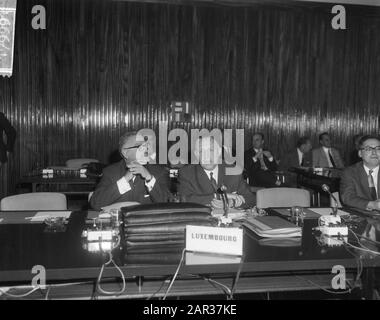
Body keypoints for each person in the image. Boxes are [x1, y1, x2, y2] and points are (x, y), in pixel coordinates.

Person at [90, 131, 170, 210]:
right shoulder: (110, 172)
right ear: (125, 153)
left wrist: (149, 179)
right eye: (140, 147)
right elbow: (96, 204)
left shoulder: (159, 172)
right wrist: (125, 180)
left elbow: (168, 204)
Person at [178, 136, 255, 209]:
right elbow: (185, 199)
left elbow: (251, 199)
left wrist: (231, 202)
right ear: (196, 155)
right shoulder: (186, 172)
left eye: (211, 150)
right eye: (201, 151)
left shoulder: (233, 170)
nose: (206, 156)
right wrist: (221, 196)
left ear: (218, 152)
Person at [340, 135, 380, 211]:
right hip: (361, 215)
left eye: (378, 149)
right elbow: (347, 197)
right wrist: (373, 205)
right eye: (368, 149)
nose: (374, 152)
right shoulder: (349, 172)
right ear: (360, 153)